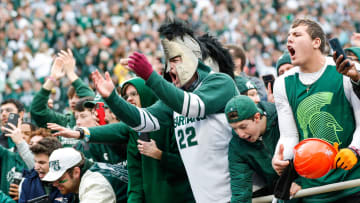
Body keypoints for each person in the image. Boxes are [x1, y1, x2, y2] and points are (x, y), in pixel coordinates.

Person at [92, 22, 239, 203]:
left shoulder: (220, 82)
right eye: (168, 62)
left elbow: (193, 106)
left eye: (175, 60)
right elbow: (142, 121)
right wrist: (112, 98)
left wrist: (150, 76)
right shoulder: (175, 100)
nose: (170, 69)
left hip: (235, 195)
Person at [48, 77, 195, 203]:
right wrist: (78, 133)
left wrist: (159, 155)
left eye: (134, 94)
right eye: (125, 96)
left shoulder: (173, 122)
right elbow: (135, 181)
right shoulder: (133, 130)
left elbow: (189, 168)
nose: (129, 99)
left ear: (146, 94)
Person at [272, 18, 360, 202]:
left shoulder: (345, 70)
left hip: (351, 182)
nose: (289, 40)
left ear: (316, 42)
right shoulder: (282, 83)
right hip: (312, 188)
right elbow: (289, 136)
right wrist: (281, 159)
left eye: (296, 35)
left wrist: (355, 150)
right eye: (288, 36)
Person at [225, 95, 300, 202]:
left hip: (312, 187)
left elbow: (311, 147)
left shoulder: (283, 117)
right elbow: (240, 189)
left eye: (243, 127)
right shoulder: (237, 145)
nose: (240, 134)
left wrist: (302, 181)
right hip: (280, 195)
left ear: (256, 117)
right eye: (234, 128)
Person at [30, 49, 95, 147]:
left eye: (78, 97)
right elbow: (37, 110)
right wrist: (52, 78)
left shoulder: (96, 120)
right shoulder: (63, 121)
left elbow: (92, 99)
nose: (73, 101)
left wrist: (70, 73)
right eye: (70, 98)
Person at [43, 147, 128, 203]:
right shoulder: (93, 170)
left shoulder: (95, 185)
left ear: (76, 172)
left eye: (60, 178)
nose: (54, 184)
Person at [19, 137, 73, 203]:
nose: (36, 167)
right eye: (35, 161)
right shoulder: (28, 183)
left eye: (42, 163)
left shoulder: (71, 183)